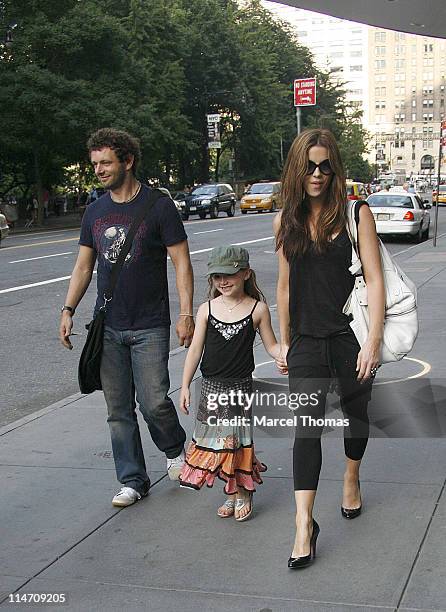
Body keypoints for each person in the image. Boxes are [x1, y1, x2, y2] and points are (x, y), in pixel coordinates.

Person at [59, 127, 195, 507]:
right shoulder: (95, 211)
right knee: (118, 411)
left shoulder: (158, 206)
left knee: (153, 403)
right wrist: (68, 309)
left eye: (106, 162)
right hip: (109, 325)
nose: (99, 170)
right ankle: (132, 480)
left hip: (150, 324)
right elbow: (84, 267)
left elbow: (181, 263)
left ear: (128, 161)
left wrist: (186, 312)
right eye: (95, 164)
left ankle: (173, 449)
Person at [274, 128, 385, 568]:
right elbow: (283, 287)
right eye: (309, 166)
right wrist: (283, 341)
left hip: (348, 338)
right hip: (304, 341)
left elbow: (374, 280)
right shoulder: (285, 219)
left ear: (334, 169)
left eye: (325, 166)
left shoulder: (356, 213)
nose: (317, 175)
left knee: (357, 416)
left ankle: (351, 478)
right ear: (297, 169)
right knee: (307, 429)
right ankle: (304, 525)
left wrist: (373, 340)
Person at [179, 246, 285, 521]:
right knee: (216, 444)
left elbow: (272, 345)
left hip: (239, 388)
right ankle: (231, 491)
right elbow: (195, 351)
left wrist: (284, 355)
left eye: (230, 275)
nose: (223, 282)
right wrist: (184, 385)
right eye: (217, 277)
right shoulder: (206, 309)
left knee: (235, 442)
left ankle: (243, 493)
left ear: (246, 274)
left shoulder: (258, 309)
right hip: (211, 387)